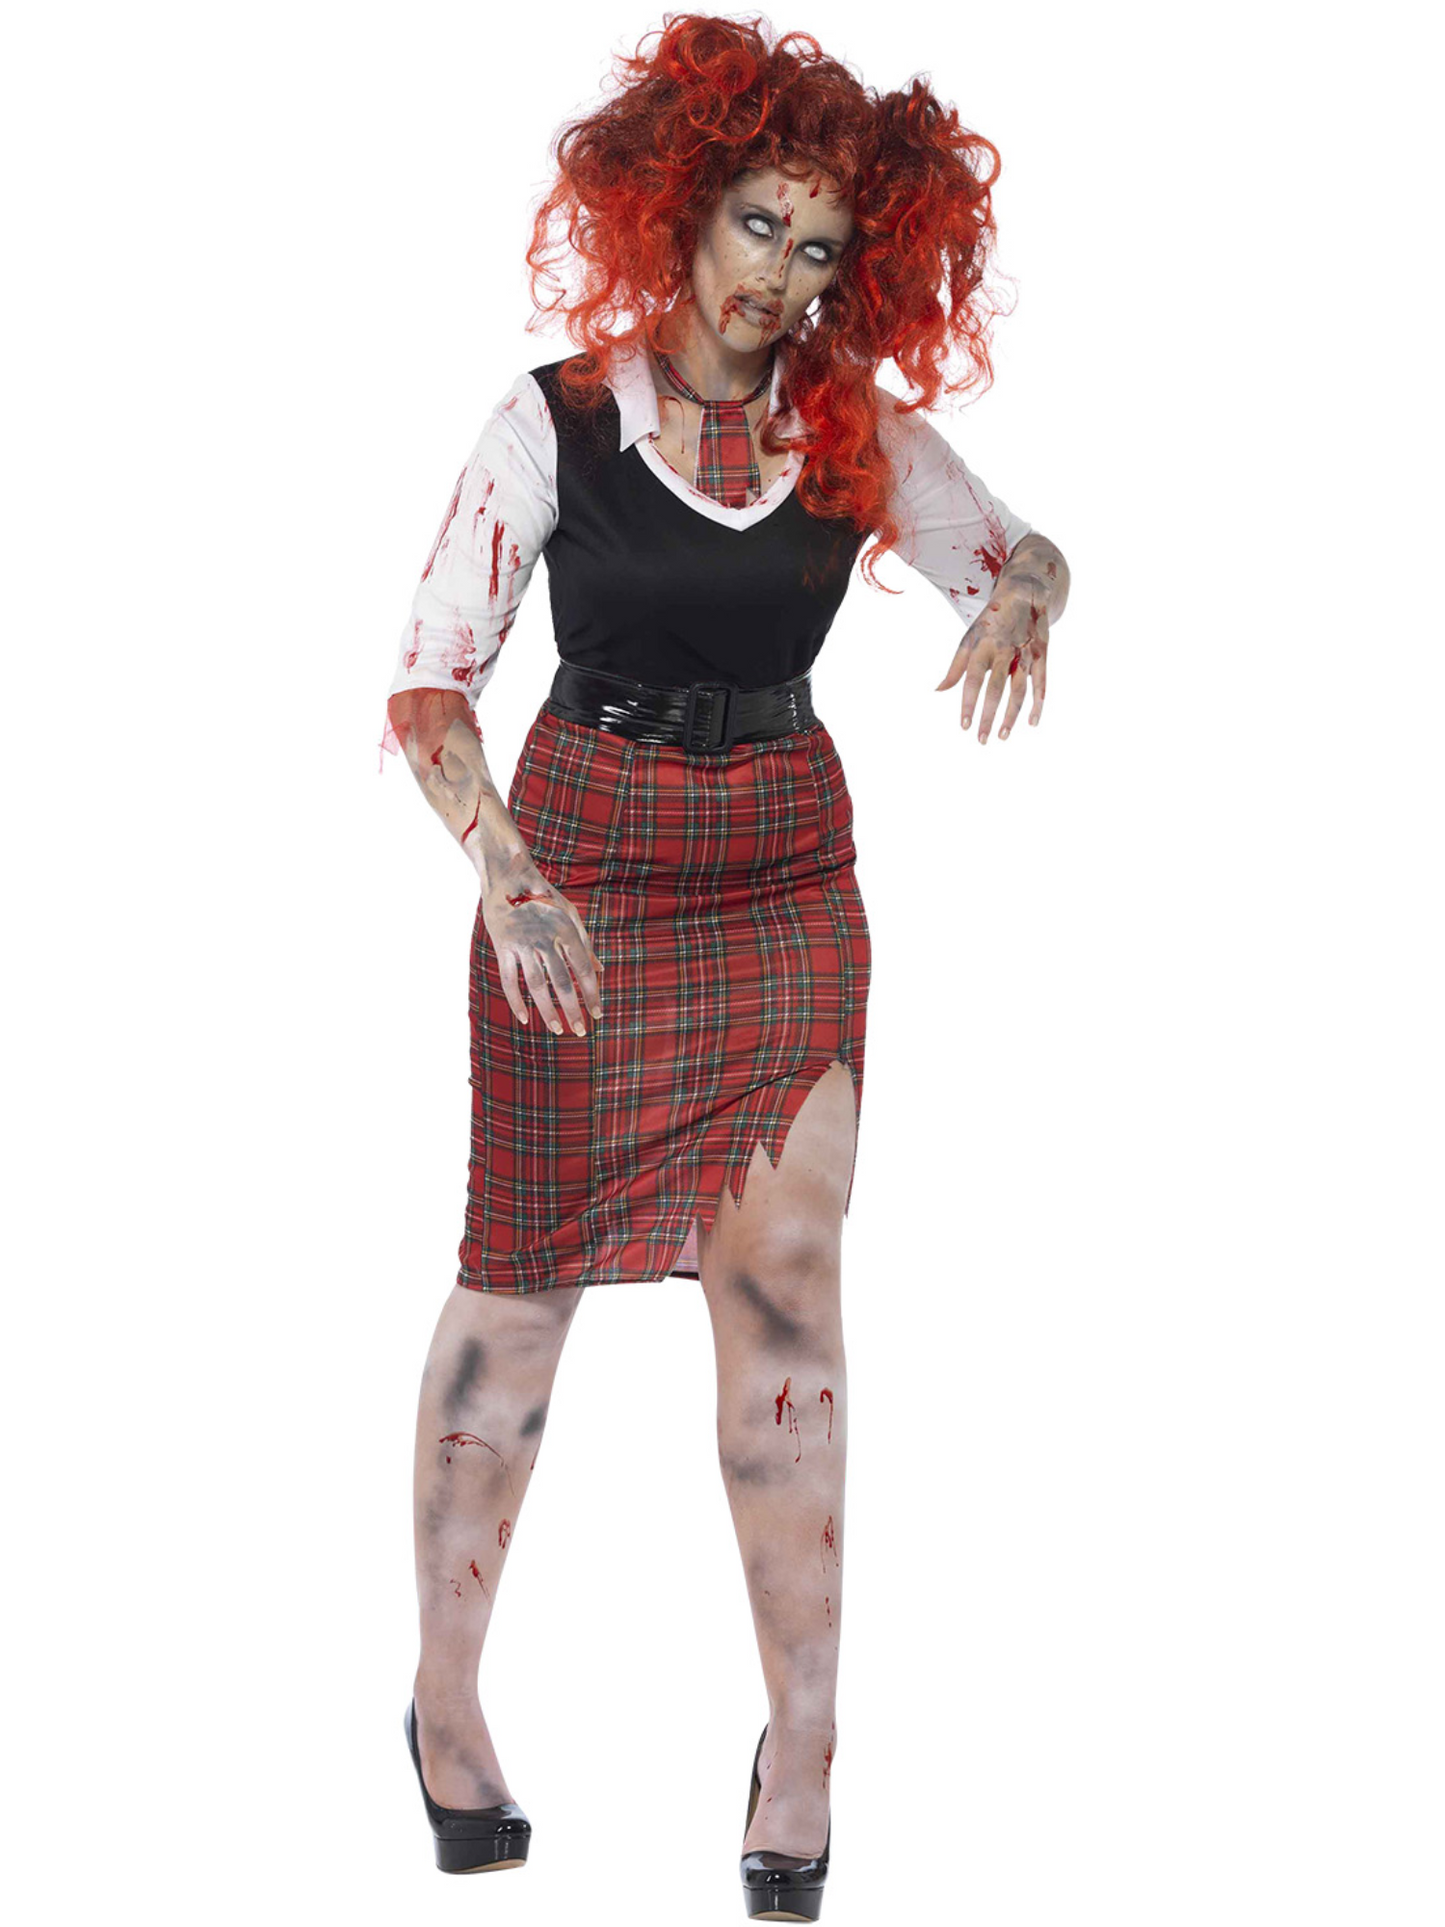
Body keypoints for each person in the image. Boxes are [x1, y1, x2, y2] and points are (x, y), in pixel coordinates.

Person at [381, 13, 1070, 1917]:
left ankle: (807, 1742)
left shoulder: (846, 425)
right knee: (520, 1287)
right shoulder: (556, 419)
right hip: (578, 871)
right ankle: (445, 1699)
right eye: (758, 223)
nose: (780, 273)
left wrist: (1024, 592)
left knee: (788, 1291)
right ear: (676, 208)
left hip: (782, 872)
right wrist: (507, 876)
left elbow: (1025, 550)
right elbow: (428, 683)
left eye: (821, 246)